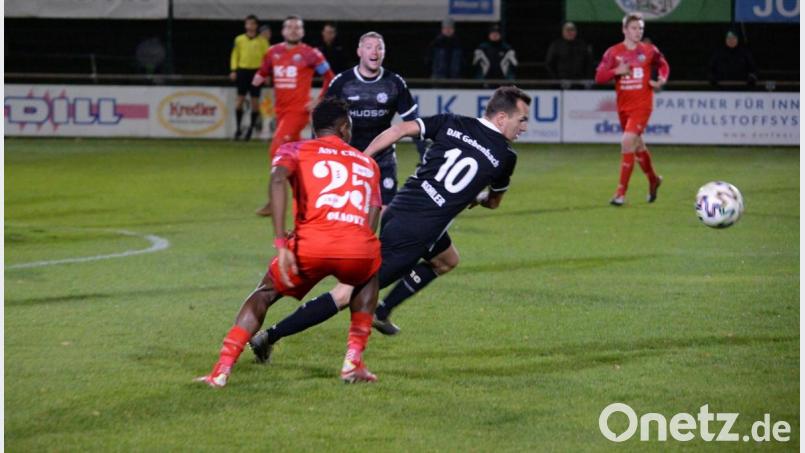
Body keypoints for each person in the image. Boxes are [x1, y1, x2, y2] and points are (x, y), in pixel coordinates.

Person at [248, 86, 530, 360]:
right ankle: (269, 337)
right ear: (502, 118)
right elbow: (493, 202)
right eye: (522, 120)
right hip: (416, 233)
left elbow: (397, 130)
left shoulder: (452, 121)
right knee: (345, 294)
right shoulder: (505, 157)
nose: (525, 127)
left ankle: (383, 312)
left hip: (397, 209)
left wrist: (362, 158)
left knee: (446, 260)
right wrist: (479, 194)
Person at [195, 98, 383, 387]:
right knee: (368, 277)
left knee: (264, 293)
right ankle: (352, 362)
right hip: (356, 246)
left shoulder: (294, 149)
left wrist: (282, 240)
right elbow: (372, 216)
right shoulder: (368, 163)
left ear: (314, 127)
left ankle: (221, 370)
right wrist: (360, 252)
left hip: (309, 245)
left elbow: (277, 180)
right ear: (344, 128)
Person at [252, 15, 335, 216]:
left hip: (298, 112)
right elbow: (263, 71)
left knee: (276, 150)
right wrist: (255, 81)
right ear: (283, 31)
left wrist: (318, 99)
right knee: (298, 159)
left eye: (297, 27)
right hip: (280, 112)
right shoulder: (273, 52)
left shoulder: (311, 54)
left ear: (303, 32)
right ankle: (309, 195)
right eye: (289, 27)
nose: (293, 30)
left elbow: (330, 78)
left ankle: (274, 201)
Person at [595, 12, 669, 206]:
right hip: (623, 107)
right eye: (634, 28)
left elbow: (663, 66)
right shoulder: (614, 52)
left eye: (641, 29)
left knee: (627, 141)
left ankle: (620, 193)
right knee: (637, 146)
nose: (638, 32)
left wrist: (661, 80)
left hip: (643, 105)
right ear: (625, 30)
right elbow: (599, 77)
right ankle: (653, 180)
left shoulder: (649, 50)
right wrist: (616, 71)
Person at [230, 15, 270, 141]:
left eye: (253, 24)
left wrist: (267, 73)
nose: (250, 26)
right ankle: (238, 129)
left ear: (256, 26)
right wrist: (233, 70)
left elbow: (267, 58)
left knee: (255, 102)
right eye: (248, 24)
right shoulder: (239, 39)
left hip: (256, 73)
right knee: (240, 100)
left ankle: (251, 130)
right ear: (245, 25)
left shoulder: (263, 41)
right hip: (243, 71)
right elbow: (235, 55)